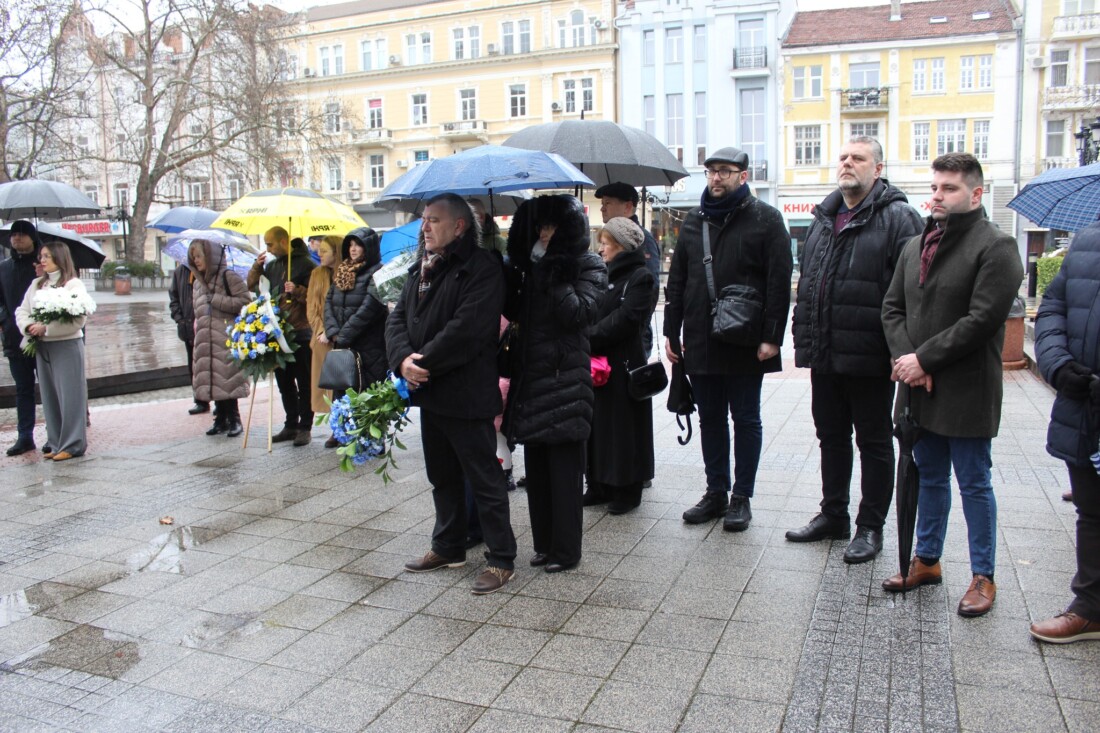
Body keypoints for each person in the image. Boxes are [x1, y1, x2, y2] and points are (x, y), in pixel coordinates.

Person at [880, 153, 1023, 618]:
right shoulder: (917, 243)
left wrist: (924, 358)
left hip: (966, 389)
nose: (937, 195)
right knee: (929, 474)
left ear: (976, 194)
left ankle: (984, 576)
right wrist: (909, 363)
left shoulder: (996, 247)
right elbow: (892, 309)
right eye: (936, 187)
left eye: (950, 188)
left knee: (974, 482)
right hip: (920, 387)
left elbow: (981, 320)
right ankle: (927, 559)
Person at [787, 137, 924, 563]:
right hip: (826, 353)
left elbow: (912, 292)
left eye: (858, 158)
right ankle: (833, 515)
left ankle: (870, 526)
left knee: (874, 441)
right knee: (830, 436)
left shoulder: (900, 218)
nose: (847, 163)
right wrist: (803, 338)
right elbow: (809, 283)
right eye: (843, 157)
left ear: (877, 169)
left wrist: (900, 352)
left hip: (871, 355)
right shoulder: (825, 218)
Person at [386, 193, 517, 595]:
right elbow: (396, 319)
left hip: (466, 394)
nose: (424, 227)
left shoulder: (482, 268)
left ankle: (501, 558)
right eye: (424, 220)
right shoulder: (419, 269)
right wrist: (402, 360)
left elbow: (468, 328)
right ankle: (448, 546)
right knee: (441, 476)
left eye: (434, 220)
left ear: (459, 226)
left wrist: (420, 362)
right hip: (431, 394)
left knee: (483, 478)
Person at [663, 146, 793, 531]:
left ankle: (742, 497)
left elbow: (778, 282)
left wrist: (772, 336)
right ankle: (716, 491)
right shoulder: (693, 221)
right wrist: (671, 331)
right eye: (711, 171)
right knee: (711, 420)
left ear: (743, 176)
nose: (716, 178)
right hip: (700, 337)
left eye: (724, 171)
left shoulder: (766, 219)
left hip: (745, 338)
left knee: (746, 418)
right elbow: (678, 282)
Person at [503, 194, 606, 572]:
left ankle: (567, 551)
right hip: (532, 379)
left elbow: (579, 313)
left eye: (552, 226)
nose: (545, 234)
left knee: (564, 476)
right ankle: (545, 544)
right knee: (539, 474)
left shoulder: (588, 265)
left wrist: (553, 271)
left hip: (565, 382)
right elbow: (514, 311)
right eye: (540, 226)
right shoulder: (531, 267)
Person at [1031, 220, 1100, 643]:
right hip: (1085, 401)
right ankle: (1090, 608)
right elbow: (1053, 305)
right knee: (1091, 513)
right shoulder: (1089, 238)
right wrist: (1057, 363)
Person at [585, 217, 657, 515]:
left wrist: (587, 337)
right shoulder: (600, 274)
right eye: (600, 243)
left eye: (606, 243)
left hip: (624, 365)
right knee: (598, 426)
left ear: (622, 246)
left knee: (624, 429)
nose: (600, 249)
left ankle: (627, 490)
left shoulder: (641, 277)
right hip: (598, 363)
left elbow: (626, 320)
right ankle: (599, 484)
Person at [14, 242, 90, 461]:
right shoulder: (38, 284)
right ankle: (56, 442)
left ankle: (73, 443)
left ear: (59, 257)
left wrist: (47, 327)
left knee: (70, 395)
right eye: (41, 256)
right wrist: (29, 327)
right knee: (50, 396)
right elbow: (22, 310)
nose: (42, 260)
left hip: (66, 345)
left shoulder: (73, 285)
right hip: (42, 346)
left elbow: (78, 318)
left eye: (47, 256)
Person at [247, 227, 315, 446]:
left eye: (270, 244)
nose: (267, 248)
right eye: (266, 244)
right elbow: (255, 287)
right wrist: (257, 267)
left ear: (283, 241)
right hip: (278, 331)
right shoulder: (273, 265)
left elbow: (314, 298)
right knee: (284, 383)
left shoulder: (306, 264)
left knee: (304, 382)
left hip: (301, 332)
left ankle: (305, 426)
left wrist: (296, 290)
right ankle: (290, 424)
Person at [189, 240, 250, 437]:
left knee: (227, 379)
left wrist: (216, 300)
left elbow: (245, 302)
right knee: (212, 379)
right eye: (194, 257)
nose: (196, 260)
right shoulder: (198, 283)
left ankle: (234, 418)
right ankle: (220, 419)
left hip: (225, 337)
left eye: (199, 256)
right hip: (205, 339)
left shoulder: (228, 277)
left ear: (210, 256)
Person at [595, 182, 661, 355]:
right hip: (605, 335)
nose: (602, 208)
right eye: (602, 204)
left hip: (630, 339)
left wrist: (638, 328)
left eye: (608, 203)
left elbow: (649, 291)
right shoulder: (607, 236)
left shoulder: (640, 239)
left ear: (628, 206)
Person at [324, 226, 388, 388]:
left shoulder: (378, 272)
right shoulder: (343, 270)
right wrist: (332, 331)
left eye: (358, 245)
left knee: (367, 397)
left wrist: (343, 335)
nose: (353, 249)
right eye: (350, 244)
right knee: (343, 397)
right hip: (342, 347)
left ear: (368, 247)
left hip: (369, 348)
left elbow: (370, 308)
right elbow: (329, 301)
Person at [0, 220, 41, 456]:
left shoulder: (43, 265)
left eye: (22, 234)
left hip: (42, 337)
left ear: (32, 238)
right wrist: (5, 321)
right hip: (15, 338)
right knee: (23, 389)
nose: (16, 238)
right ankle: (25, 436)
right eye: (13, 234)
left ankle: (56, 433)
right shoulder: (4, 267)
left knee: (49, 387)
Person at [307, 235, 340, 447]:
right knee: (327, 387)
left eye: (325, 251)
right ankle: (335, 429)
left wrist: (335, 331)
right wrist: (322, 330)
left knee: (341, 386)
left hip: (341, 338)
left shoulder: (345, 274)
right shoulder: (316, 274)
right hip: (321, 340)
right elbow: (311, 307)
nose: (320, 254)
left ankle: (341, 427)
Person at [169, 261, 209, 416]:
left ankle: (220, 401)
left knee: (211, 363)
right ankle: (200, 400)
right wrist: (179, 318)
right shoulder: (181, 271)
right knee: (193, 365)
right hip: (187, 326)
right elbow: (174, 296)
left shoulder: (209, 270)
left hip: (206, 324)